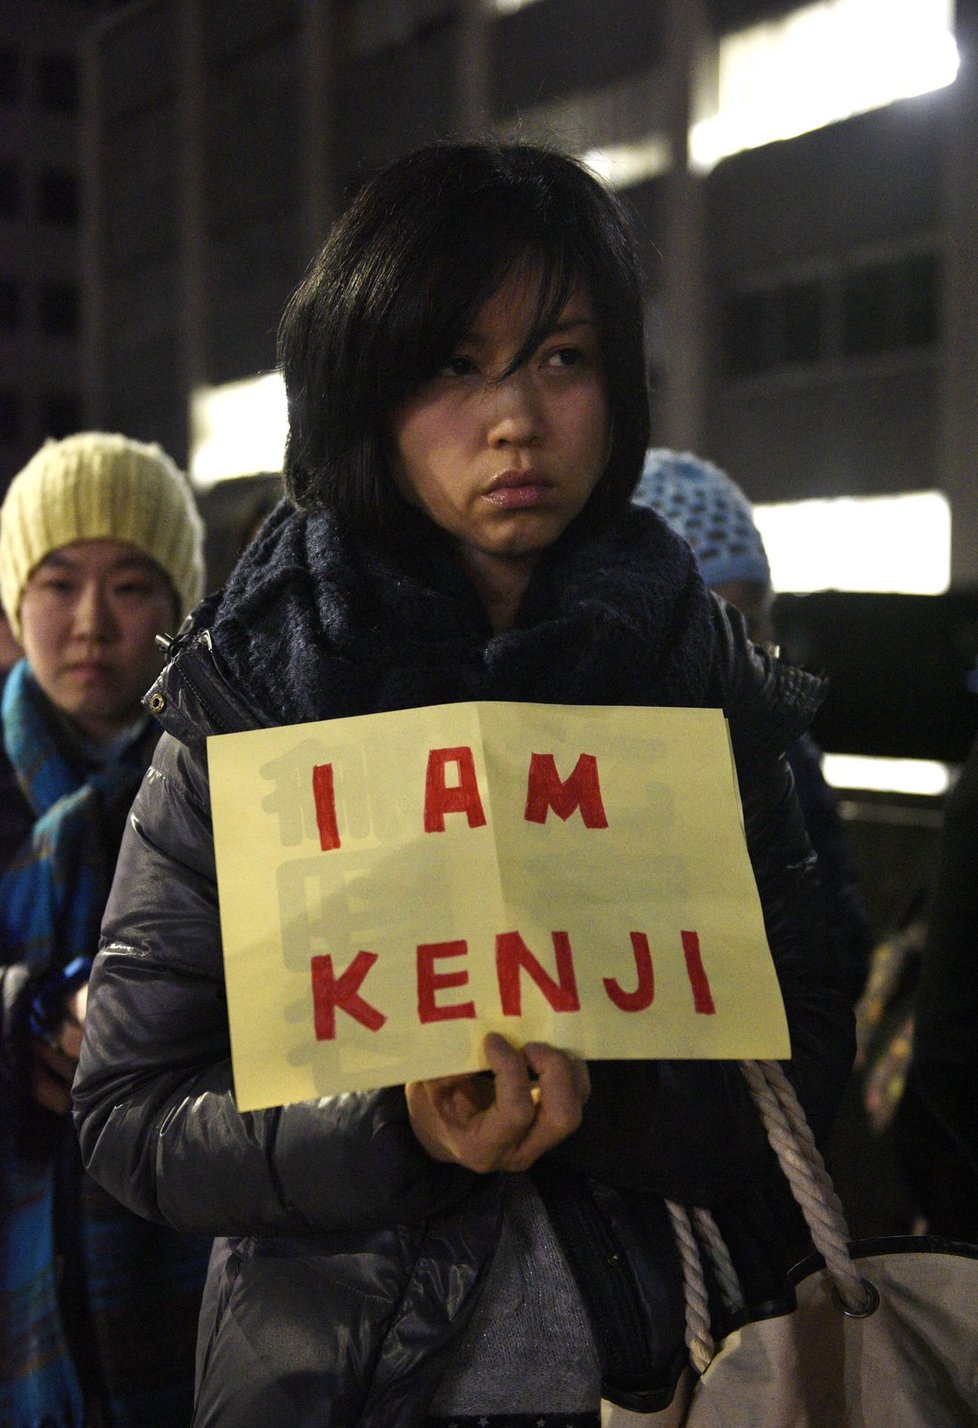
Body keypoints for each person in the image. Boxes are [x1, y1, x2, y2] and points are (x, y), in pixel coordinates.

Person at [72, 144, 854, 1427]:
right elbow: (130, 1113)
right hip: (333, 1389)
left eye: (563, 357)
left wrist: (617, 1096)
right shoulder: (254, 694)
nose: (517, 420)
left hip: (673, 1380)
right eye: (454, 365)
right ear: (362, 393)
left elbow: (805, 1052)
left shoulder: (695, 679)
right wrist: (396, 1128)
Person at [0, 432, 212, 1427]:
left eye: (131, 585)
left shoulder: (221, 794)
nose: (90, 622)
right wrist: (25, 1012)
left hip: (186, 1276)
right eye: (56, 582)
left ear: (177, 611)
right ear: (13, 605)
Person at [635, 449, 875, 1005]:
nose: (735, 655)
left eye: (748, 623)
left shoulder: (785, 751)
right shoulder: (602, 764)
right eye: (705, 626)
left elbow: (838, 946)